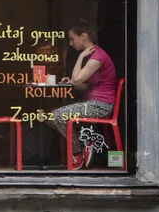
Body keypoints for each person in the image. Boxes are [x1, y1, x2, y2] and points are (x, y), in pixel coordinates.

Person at [45, 24, 117, 169]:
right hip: (93, 103)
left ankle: (77, 152)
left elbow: (77, 80)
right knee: (51, 117)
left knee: (56, 116)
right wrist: (71, 82)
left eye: (72, 39)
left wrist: (80, 57)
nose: (71, 43)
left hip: (100, 106)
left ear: (83, 36)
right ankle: (85, 141)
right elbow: (85, 85)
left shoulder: (97, 56)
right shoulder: (93, 55)